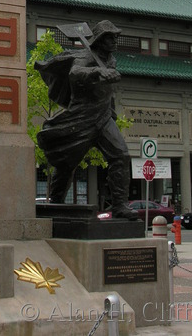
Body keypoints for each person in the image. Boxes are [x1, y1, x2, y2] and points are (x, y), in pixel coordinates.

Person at [36, 20, 137, 220]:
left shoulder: (111, 60)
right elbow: (75, 73)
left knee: (121, 156)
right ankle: (56, 201)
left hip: (103, 118)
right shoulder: (86, 56)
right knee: (66, 163)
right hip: (82, 118)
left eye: (115, 37)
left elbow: (107, 93)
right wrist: (98, 72)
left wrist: (112, 112)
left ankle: (120, 206)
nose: (114, 41)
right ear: (99, 40)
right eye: (110, 37)